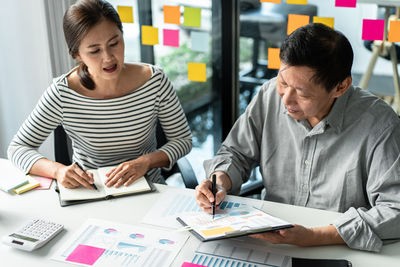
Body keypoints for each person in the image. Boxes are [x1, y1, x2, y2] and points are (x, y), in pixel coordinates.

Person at [195, 23, 400, 252]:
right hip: (269, 236)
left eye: (302, 92)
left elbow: (395, 209)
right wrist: (220, 181)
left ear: (340, 87)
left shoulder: (380, 124)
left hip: (337, 245)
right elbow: (236, 153)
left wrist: (313, 236)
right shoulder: (269, 95)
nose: (286, 100)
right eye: (283, 82)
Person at [8, 0, 192, 190]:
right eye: (95, 50)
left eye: (114, 43)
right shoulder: (62, 93)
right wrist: (58, 171)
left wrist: (146, 161)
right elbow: (18, 148)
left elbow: (183, 141)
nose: (108, 57)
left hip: (151, 190)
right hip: (92, 194)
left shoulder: (155, 81)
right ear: (76, 54)